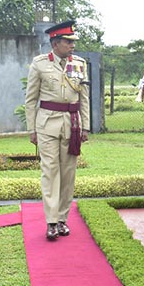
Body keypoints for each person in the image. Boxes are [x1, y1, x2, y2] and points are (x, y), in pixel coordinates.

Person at [25, 20, 90, 241]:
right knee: (50, 171)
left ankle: (62, 219)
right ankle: (51, 222)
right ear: (55, 43)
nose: (72, 46)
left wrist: (86, 126)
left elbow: (84, 98)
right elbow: (31, 99)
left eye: (73, 42)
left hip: (72, 123)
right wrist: (31, 129)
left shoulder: (79, 64)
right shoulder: (40, 64)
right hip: (47, 124)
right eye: (68, 42)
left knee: (68, 173)